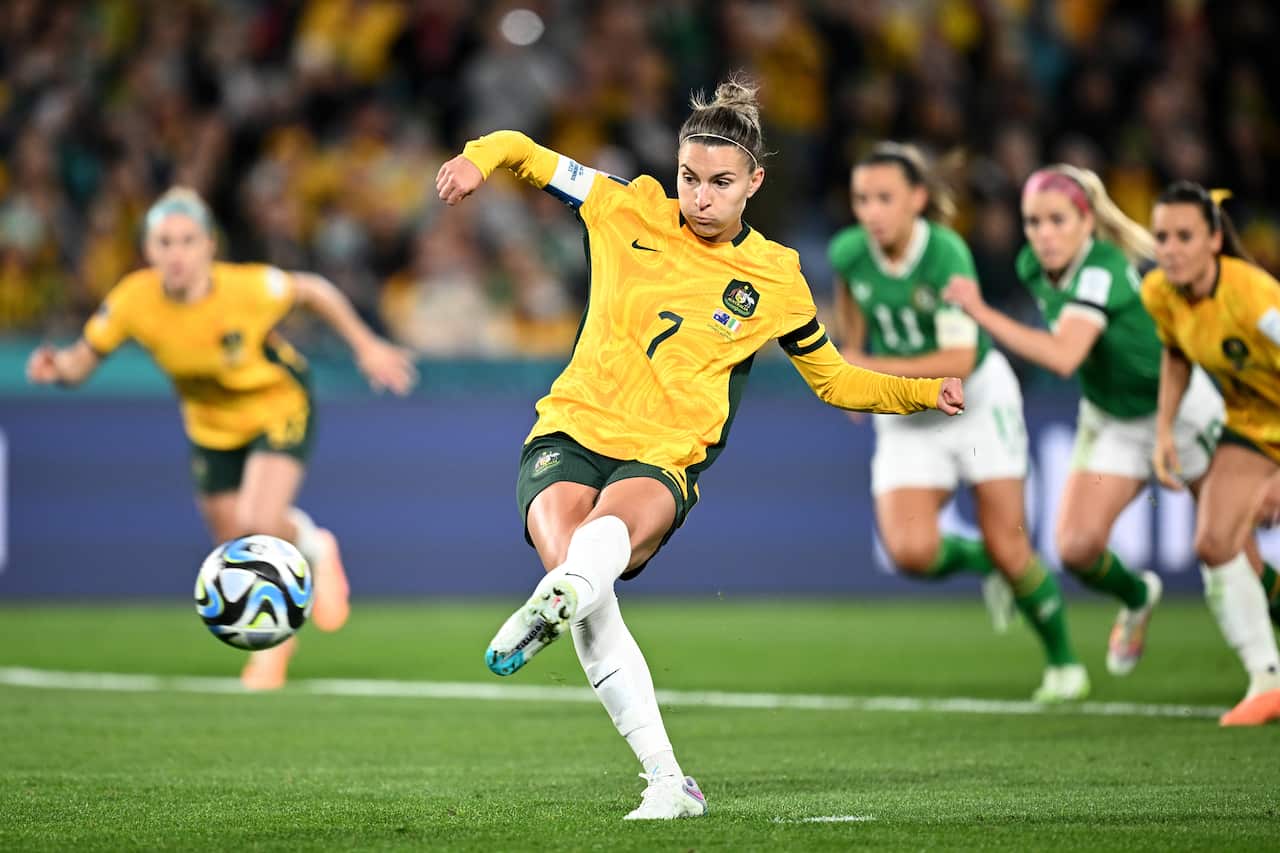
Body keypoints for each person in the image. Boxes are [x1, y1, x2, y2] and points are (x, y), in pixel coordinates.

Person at [434, 78, 963, 820]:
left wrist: (919, 390)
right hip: (568, 429)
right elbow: (525, 151)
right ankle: (665, 778)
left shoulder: (776, 277)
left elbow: (834, 379)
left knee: (591, 556)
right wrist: (476, 160)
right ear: (674, 170)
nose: (701, 196)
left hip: (662, 455)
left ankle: (566, 610)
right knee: (584, 585)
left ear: (754, 183)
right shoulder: (624, 206)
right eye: (689, 178)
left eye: (720, 183)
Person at [26, 187, 417, 690]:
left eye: (188, 241)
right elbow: (80, 363)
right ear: (149, 251)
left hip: (277, 405)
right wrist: (56, 367)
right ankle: (313, 549)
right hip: (210, 426)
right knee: (233, 546)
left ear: (210, 245)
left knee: (258, 524)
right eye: (164, 242)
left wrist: (366, 346)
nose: (177, 254)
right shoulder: (133, 300)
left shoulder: (247, 288)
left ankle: (276, 645)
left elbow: (314, 290)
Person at [942, 164, 1227, 677]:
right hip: (1112, 417)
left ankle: (1264, 671)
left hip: (1178, 408)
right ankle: (1138, 595)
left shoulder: (1103, 267)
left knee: (1230, 550)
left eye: (1057, 220)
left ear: (1087, 222)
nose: (1043, 235)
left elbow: (1064, 356)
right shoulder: (1033, 265)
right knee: (1075, 548)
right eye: (1033, 222)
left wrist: (980, 312)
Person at [828, 143, 1086, 703]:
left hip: (973, 401)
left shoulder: (946, 254)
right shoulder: (850, 250)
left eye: (884, 199)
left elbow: (959, 362)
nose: (870, 212)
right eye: (861, 199)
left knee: (1012, 546)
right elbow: (849, 306)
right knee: (910, 551)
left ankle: (1065, 663)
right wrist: (850, 354)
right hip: (907, 408)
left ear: (918, 200)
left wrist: (864, 368)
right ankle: (986, 565)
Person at [1140, 181, 1280, 726]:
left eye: (1183, 236)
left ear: (1214, 240)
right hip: (1251, 425)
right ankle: (1267, 678)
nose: (1169, 248)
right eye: (1161, 237)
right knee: (1214, 541)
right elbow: (1177, 353)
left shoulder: (1257, 299)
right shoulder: (1160, 292)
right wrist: (1164, 430)